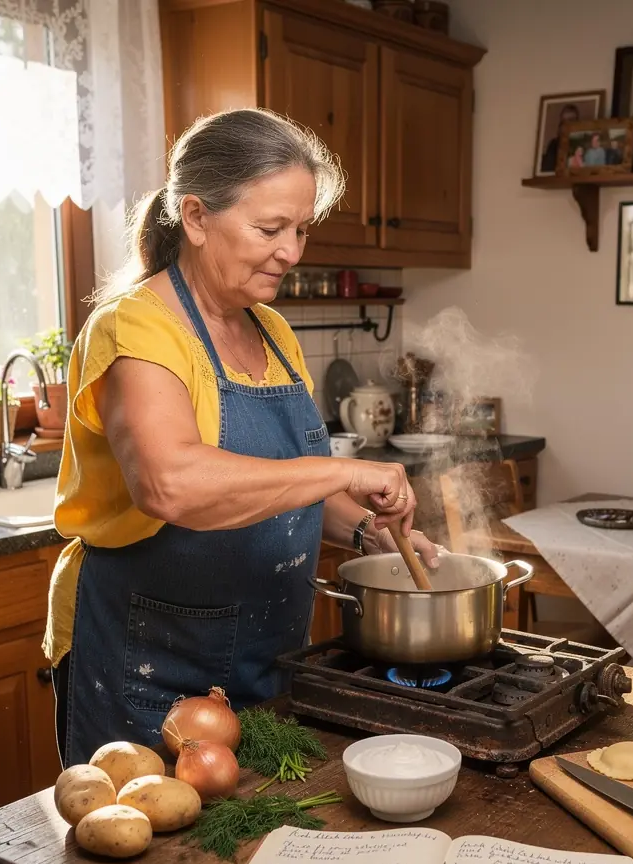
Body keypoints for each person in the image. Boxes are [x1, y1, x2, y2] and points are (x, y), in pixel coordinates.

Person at [45, 109, 441, 766]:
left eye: (302, 229)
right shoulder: (136, 331)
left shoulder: (273, 332)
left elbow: (292, 481)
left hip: (263, 662)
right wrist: (341, 473)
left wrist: (371, 534)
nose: (292, 251)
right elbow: (171, 483)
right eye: (269, 229)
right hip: (143, 664)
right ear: (196, 218)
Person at [540, 103, 580, 173]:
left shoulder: (580, 143)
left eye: (571, 120)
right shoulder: (554, 145)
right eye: (564, 121)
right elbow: (548, 170)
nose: (567, 124)